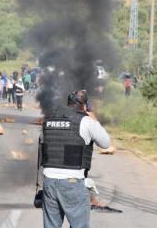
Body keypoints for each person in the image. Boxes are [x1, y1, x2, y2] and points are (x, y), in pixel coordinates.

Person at [39, 90, 111, 228]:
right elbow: (106, 143)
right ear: (84, 105)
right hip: (72, 182)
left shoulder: (49, 120)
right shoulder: (86, 121)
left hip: (49, 182)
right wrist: (94, 119)